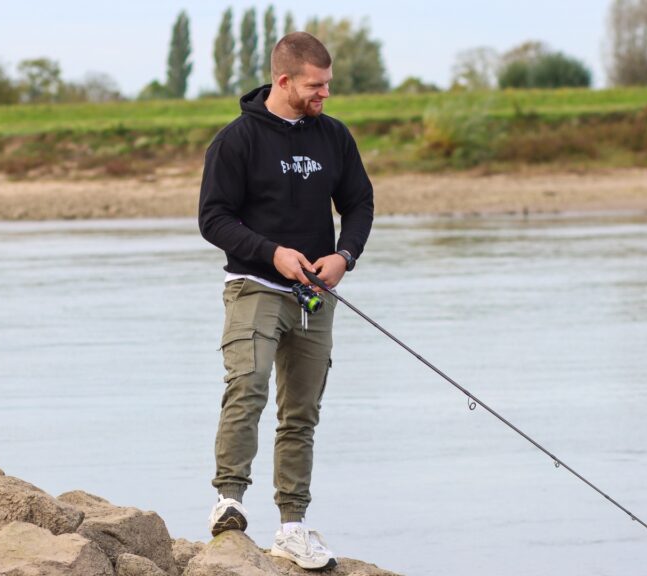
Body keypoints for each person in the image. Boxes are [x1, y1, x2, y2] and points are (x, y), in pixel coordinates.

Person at [197, 31, 374, 571]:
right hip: (254, 287)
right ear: (284, 81)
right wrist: (271, 253)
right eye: (316, 86)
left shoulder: (335, 137)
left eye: (328, 85)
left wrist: (344, 256)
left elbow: (360, 203)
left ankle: (292, 526)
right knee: (247, 387)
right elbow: (214, 220)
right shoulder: (236, 141)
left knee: (301, 412)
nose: (324, 95)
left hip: (314, 297)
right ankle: (229, 501)